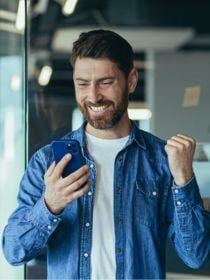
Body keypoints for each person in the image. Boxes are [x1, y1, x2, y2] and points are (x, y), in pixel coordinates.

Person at [2, 29, 210, 279]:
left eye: (105, 82)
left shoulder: (161, 160)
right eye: (82, 84)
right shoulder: (47, 162)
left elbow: (195, 254)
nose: (93, 96)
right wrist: (50, 205)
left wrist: (184, 180)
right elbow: (14, 251)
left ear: (131, 80)